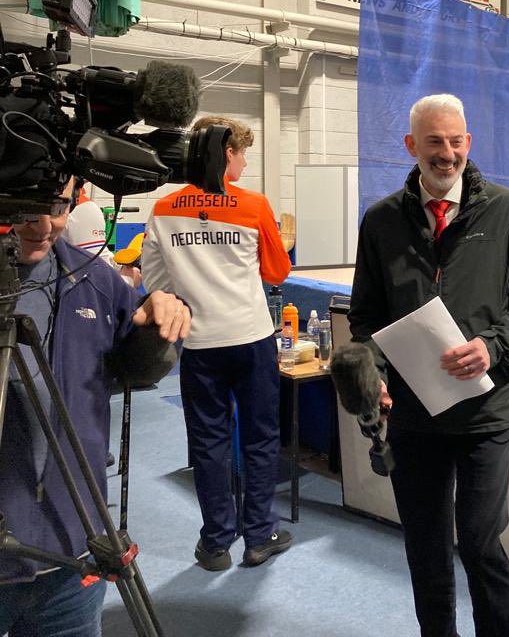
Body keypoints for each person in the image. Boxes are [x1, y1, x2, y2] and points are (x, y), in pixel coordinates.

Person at [348, 93, 509, 637]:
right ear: (411, 145)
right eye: (435, 141)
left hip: (488, 413)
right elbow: (367, 315)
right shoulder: (381, 221)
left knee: (481, 540)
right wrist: (375, 371)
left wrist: (494, 345)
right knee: (425, 545)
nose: (447, 153)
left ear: (469, 142)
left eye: (456, 140)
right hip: (415, 417)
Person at [0, 179, 189, 636]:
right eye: (29, 206)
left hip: (74, 550)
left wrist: (159, 317)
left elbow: (139, 364)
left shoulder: (92, 277)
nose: (44, 225)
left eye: (57, 204)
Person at [142, 115, 293, 571]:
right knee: (260, 438)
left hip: (200, 345)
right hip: (250, 338)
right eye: (243, 153)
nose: (245, 163)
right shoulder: (254, 206)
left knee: (208, 443)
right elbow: (277, 273)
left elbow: (155, 279)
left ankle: (215, 542)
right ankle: (260, 534)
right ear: (225, 153)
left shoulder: (164, 209)